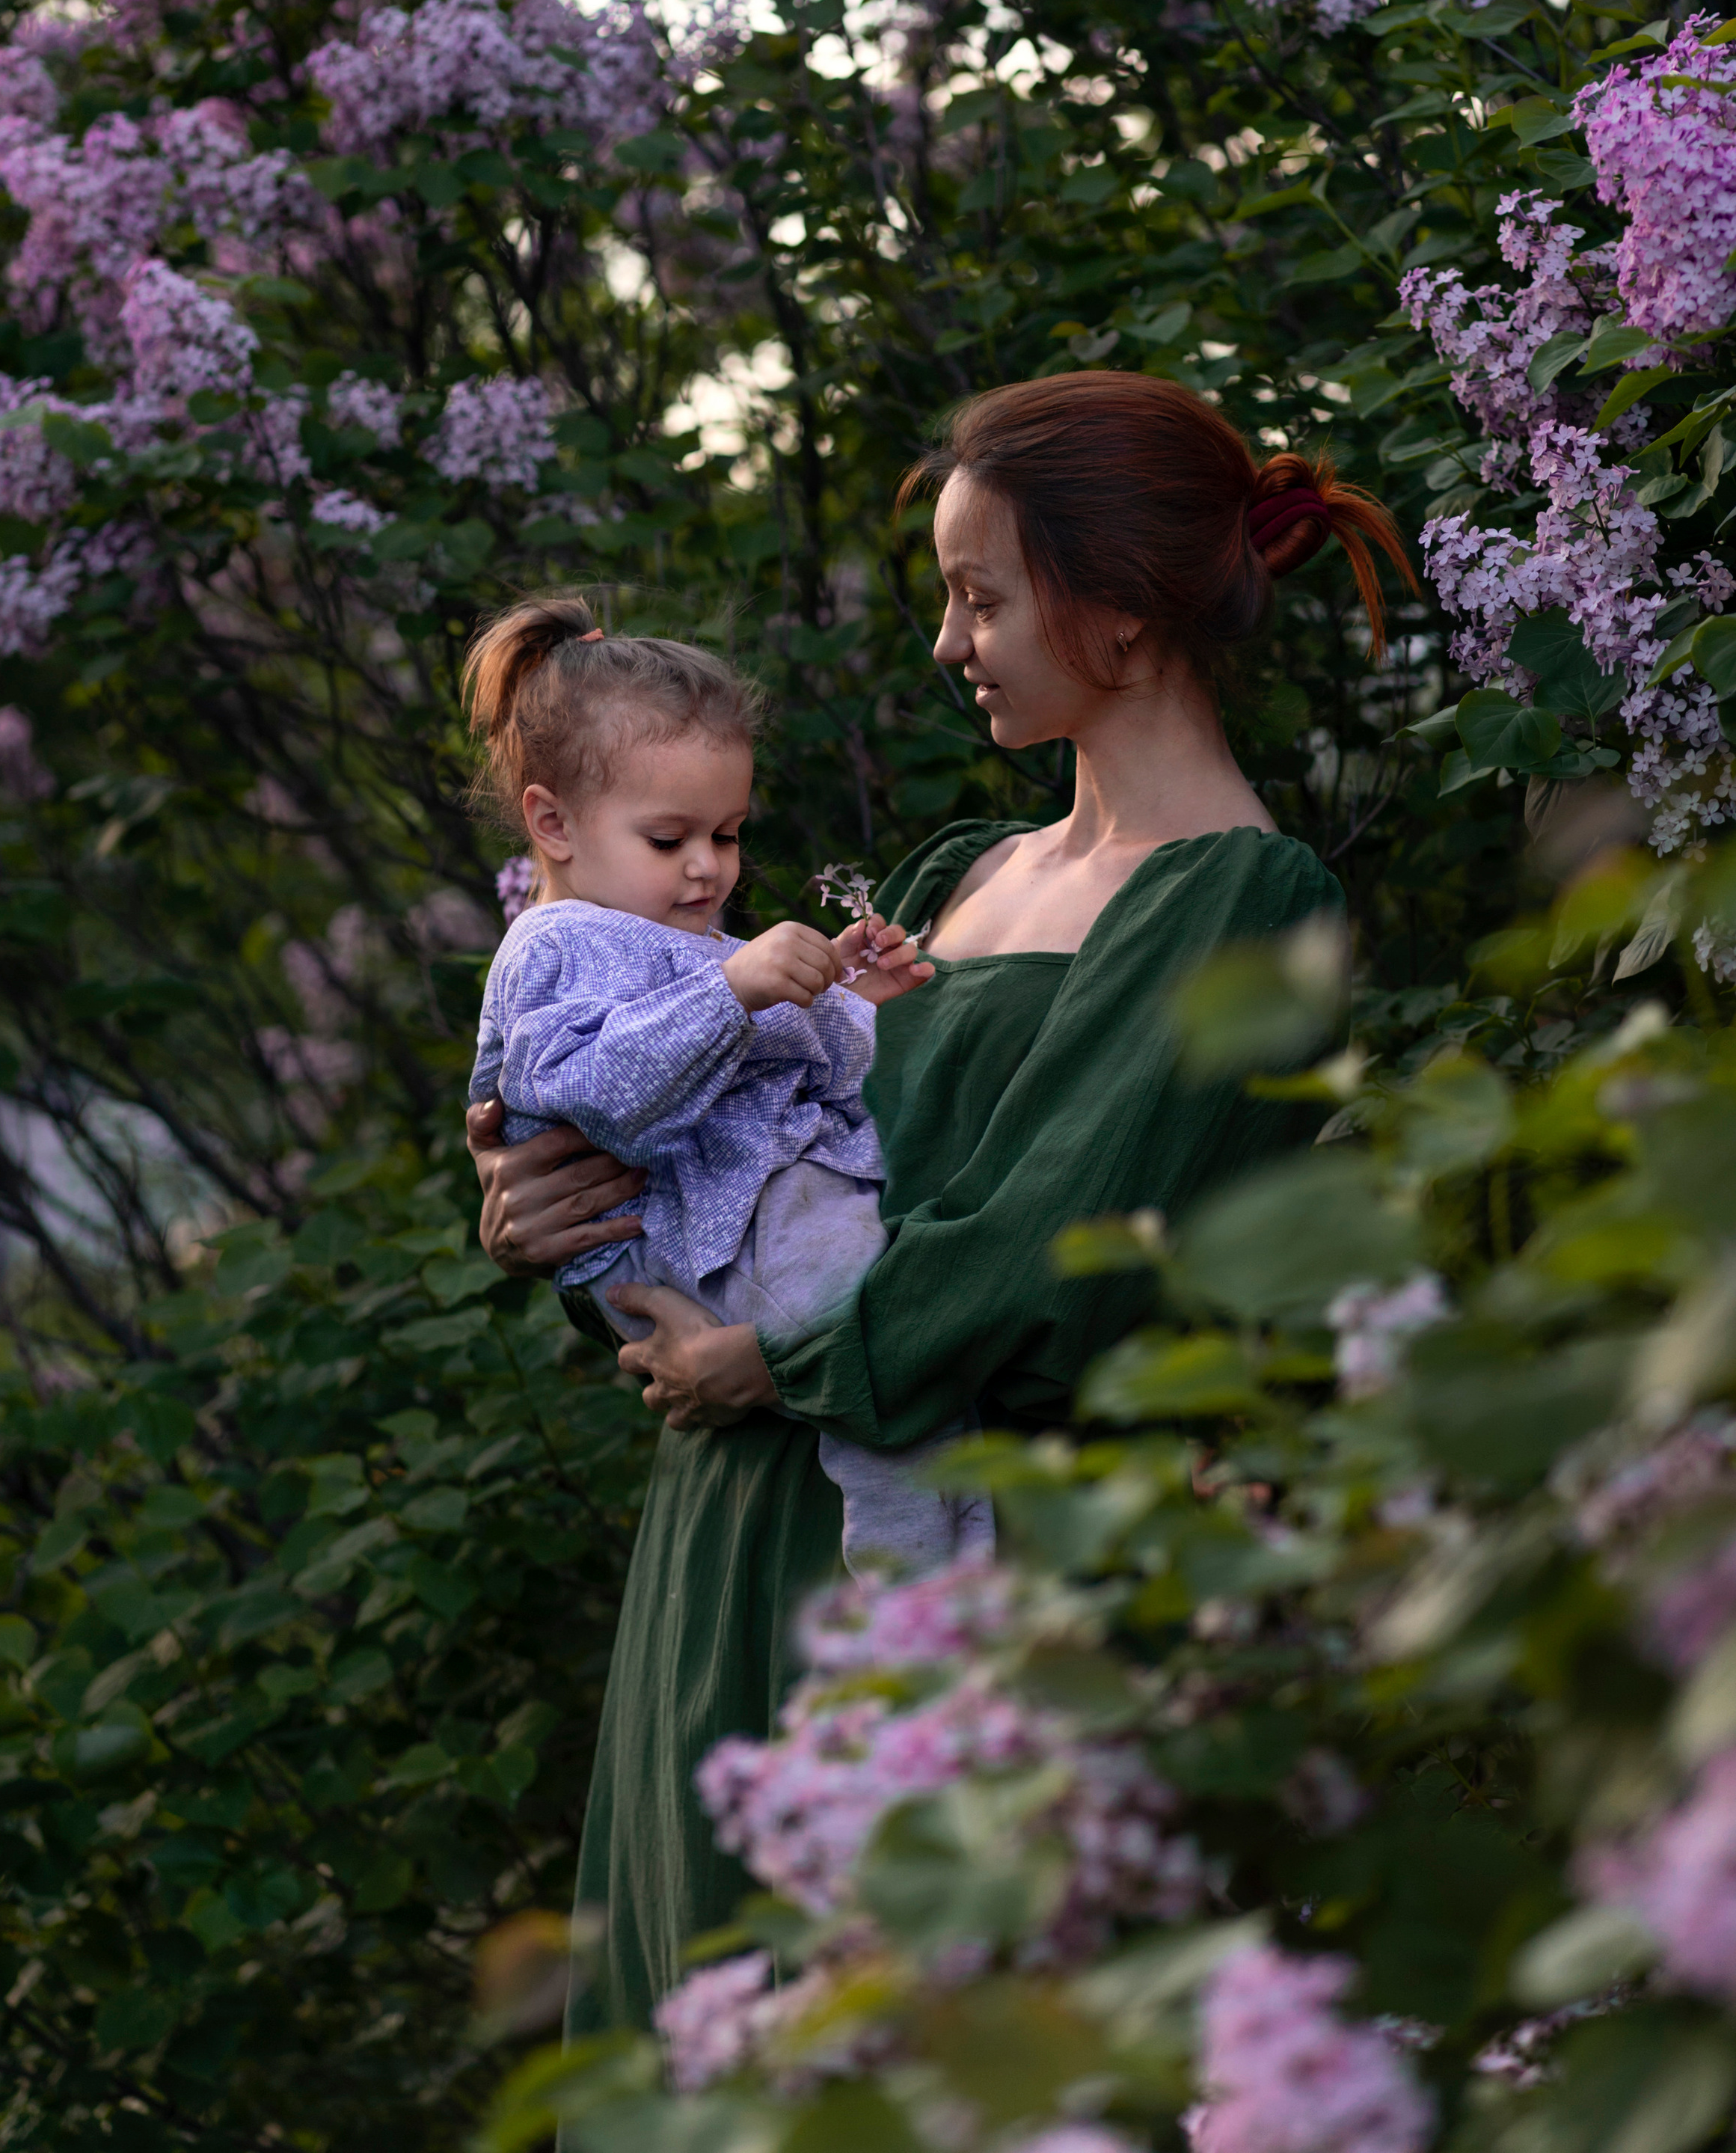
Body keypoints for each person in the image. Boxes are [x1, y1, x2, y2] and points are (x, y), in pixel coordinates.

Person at [466, 373, 1415, 2038]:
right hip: (738, 1532)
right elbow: (748, 1171)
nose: (944, 640)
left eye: (981, 596)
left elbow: (1057, 1262)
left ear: (1113, 610)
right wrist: (539, 1205)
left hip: (980, 1580)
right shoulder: (948, 881)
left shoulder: (1240, 900)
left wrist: (771, 1365)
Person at [461, 594, 991, 1577]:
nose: (708, 869)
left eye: (730, 834)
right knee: (874, 1330)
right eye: (670, 841)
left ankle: (964, 1562)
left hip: (750, 1214)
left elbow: (820, 1070)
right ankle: (914, 1595)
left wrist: (846, 995)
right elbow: (602, 1092)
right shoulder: (553, 946)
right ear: (553, 822)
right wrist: (735, 995)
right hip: (692, 1235)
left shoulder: (686, 941)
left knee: (914, 1340)